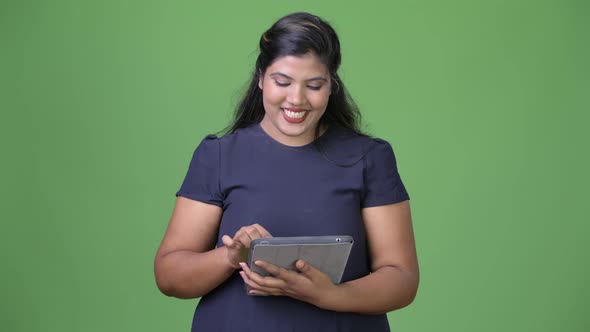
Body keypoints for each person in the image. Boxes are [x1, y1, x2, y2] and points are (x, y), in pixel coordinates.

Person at [154, 12, 419, 332]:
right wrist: (230, 256)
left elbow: (402, 278)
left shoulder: (369, 158)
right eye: (283, 82)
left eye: (314, 85)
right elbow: (169, 276)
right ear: (261, 78)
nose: (296, 99)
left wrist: (331, 295)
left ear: (332, 85)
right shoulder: (220, 155)